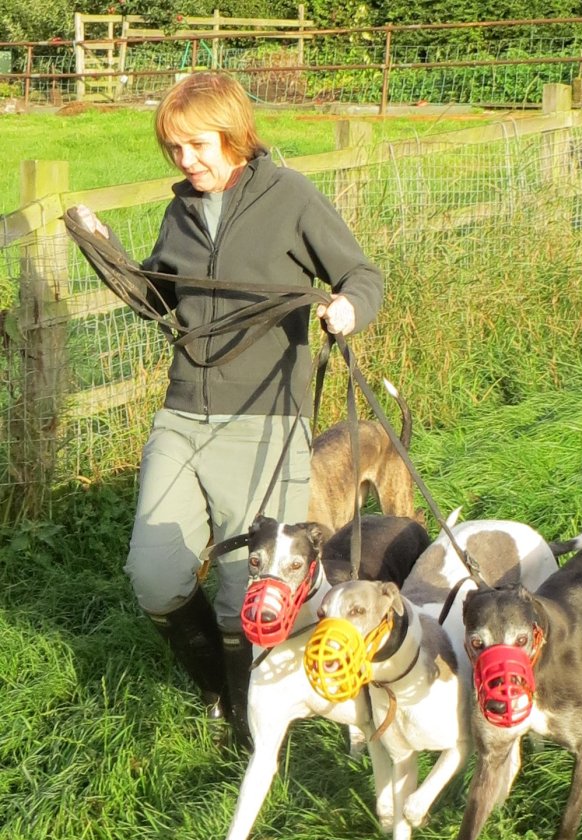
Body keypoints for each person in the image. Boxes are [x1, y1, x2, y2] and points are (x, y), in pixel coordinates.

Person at [69, 71, 383, 741]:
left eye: (197, 145)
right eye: (174, 148)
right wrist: (104, 249)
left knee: (249, 591)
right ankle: (218, 682)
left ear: (234, 135)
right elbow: (159, 298)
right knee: (154, 575)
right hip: (184, 412)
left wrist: (348, 307)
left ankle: (246, 720)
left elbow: (361, 274)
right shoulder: (180, 212)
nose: (185, 161)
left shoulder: (289, 196)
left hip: (266, 416)